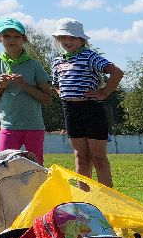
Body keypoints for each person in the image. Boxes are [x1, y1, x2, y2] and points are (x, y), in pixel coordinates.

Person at [50, 18, 122, 187]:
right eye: (63, 38)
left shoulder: (89, 56)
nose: (67, 42)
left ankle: (106, 200)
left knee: (98, 157)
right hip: (71, 111)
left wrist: (104, 92)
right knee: (81, 157)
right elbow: (55, 83)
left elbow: (117, 72)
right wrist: (64, 95)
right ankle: (84, 200)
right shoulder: (58, 61)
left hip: (91, 109)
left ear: (81, 40)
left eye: (72, 38)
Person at [0, 18, 53, 166]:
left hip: (34, 126)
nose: (11, 40)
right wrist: (1, 86)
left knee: (36, 166)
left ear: (24, 39)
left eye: (16, 36)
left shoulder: (34, 65)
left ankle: (36, 190)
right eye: (7, 36)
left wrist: (24, 85)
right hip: (9, 125)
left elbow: (47, 99)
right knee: (3, 165)